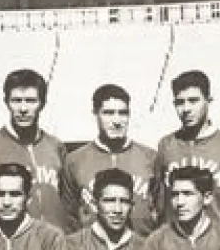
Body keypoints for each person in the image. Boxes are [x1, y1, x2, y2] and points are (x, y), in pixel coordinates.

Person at [153, 70, 220, 233]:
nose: (186, 109)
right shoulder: (166, 146)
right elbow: (161, 204)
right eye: (180, 102)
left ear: (208, 101)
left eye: (193, 101)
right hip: (180, 244)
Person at [0, 69, 70, 231]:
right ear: (6, 102)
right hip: (14, 248)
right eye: (16, 101)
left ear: (42, 103)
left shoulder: (55, 146)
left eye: (31, 101)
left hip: (56, 245)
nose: (23, 108)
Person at [62, 84, 157, 235]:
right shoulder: (75, 161)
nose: (117, 120)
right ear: (95, 114)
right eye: (108, 113)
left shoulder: (150, 158)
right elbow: (69, 218)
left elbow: (162, 213)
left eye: (123, 113)